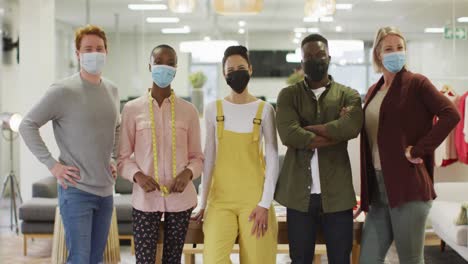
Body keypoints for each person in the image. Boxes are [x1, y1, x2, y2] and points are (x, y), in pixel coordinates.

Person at [357, 26, 461, 264]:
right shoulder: (373, 91)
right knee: (368, 259)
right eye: (389, 49)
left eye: (400, 48)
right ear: (378, 55)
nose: (396, 53)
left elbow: (451, 114)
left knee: (410, 259)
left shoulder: (417, 84)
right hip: (378, 191)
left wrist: (419, 149)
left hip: (409, 188)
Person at [19, 25, 120, 264]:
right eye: (88, 49)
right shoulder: (63, 91)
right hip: (76, 191)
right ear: (77, 54)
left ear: (106, 52)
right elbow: (27, 125)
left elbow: (116, 127)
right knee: (79, 259)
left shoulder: (112, 90)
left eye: (99, 48)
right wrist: (53, 165)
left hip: (106, 192)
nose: (94, 53)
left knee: (95, 259)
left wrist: (114, 158)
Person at [275, 34, 363, 264]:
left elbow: (352, 127)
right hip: (298, 197)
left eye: (320, 55)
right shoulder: (288, 95)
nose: (315, 60)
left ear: (329, 57)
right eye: (309, 56)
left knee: (340, 260)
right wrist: (336, 132)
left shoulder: (349, 95)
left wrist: (309, 130)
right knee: (300, 260)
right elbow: (289, 134)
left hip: (338, 195)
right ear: (302, 62)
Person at [117, 44, 204, 264]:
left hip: (181, 200)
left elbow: (198, 158)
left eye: (170, 63)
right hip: (145, 200)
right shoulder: (131, 109)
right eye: (159, 62)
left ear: (176, 68)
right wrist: (138, 176)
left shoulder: (189, 111)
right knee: (145, 260)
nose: (164, 67)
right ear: (150, 66)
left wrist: (188, 174)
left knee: (173, 260)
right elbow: (123, 159)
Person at [192, 45, 279, 264]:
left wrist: (265, 203)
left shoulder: (265, 109)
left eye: (241, 67)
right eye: (230, 70)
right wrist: (203, 203)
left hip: (255, 200)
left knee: (259, 260)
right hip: (220, 200)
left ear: (250, 69)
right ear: (224, 74)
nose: (236, 73)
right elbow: (209, 158)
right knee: (213, 259)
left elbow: (272, 159)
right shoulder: (214, 109)